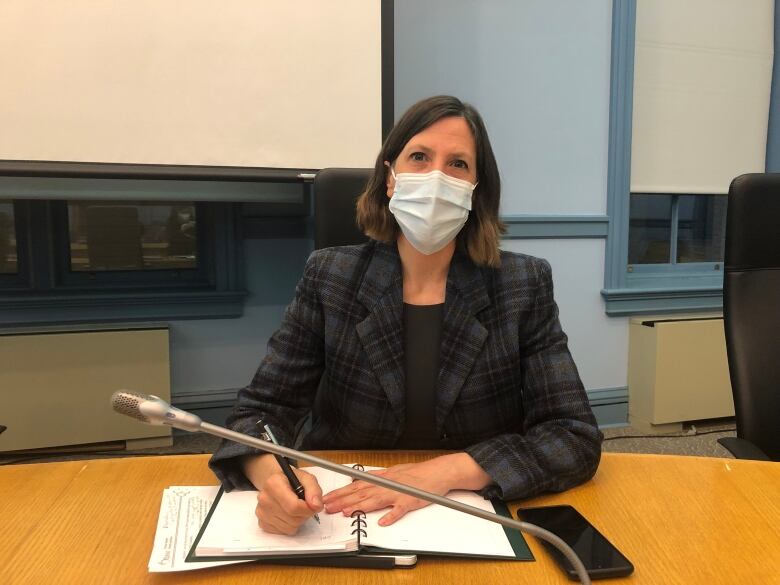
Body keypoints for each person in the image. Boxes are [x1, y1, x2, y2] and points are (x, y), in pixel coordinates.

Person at [209, 95, 602, 536]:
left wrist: (446, 472)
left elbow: (573, 436)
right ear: (390, 179)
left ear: (476, 190)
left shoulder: (521, 283)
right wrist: (277, 479)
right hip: (343, 509)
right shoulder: (331, 276)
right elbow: (260, 413)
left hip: (466, 510)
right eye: (419, 157)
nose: (436, 176)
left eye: (458, 164)